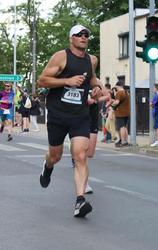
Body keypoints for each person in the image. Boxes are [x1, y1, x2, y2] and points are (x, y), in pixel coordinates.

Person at [38, 24, 104, 218]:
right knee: (55, 156)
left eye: (86, 35)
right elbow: (42, 80)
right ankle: (47, 166)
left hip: (79, 115)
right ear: (71, 38)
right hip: (58, 115)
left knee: (80, 156)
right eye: (79, 34)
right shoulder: (61, 56)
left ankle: (80, 201)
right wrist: (66, 81)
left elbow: (91, 79)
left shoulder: (92, 60)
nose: (84, 37)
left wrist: (98, 87)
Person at [111, 81, 130, 147]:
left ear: (117, 86)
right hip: (126, 112)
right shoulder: (126, 92)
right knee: (124, 127)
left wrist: (112, 105)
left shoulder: (119, 92)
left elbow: (117, 102)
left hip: (120, 113)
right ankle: (125, 140)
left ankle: (122, 141)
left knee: (121, 127)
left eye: (116, 87)